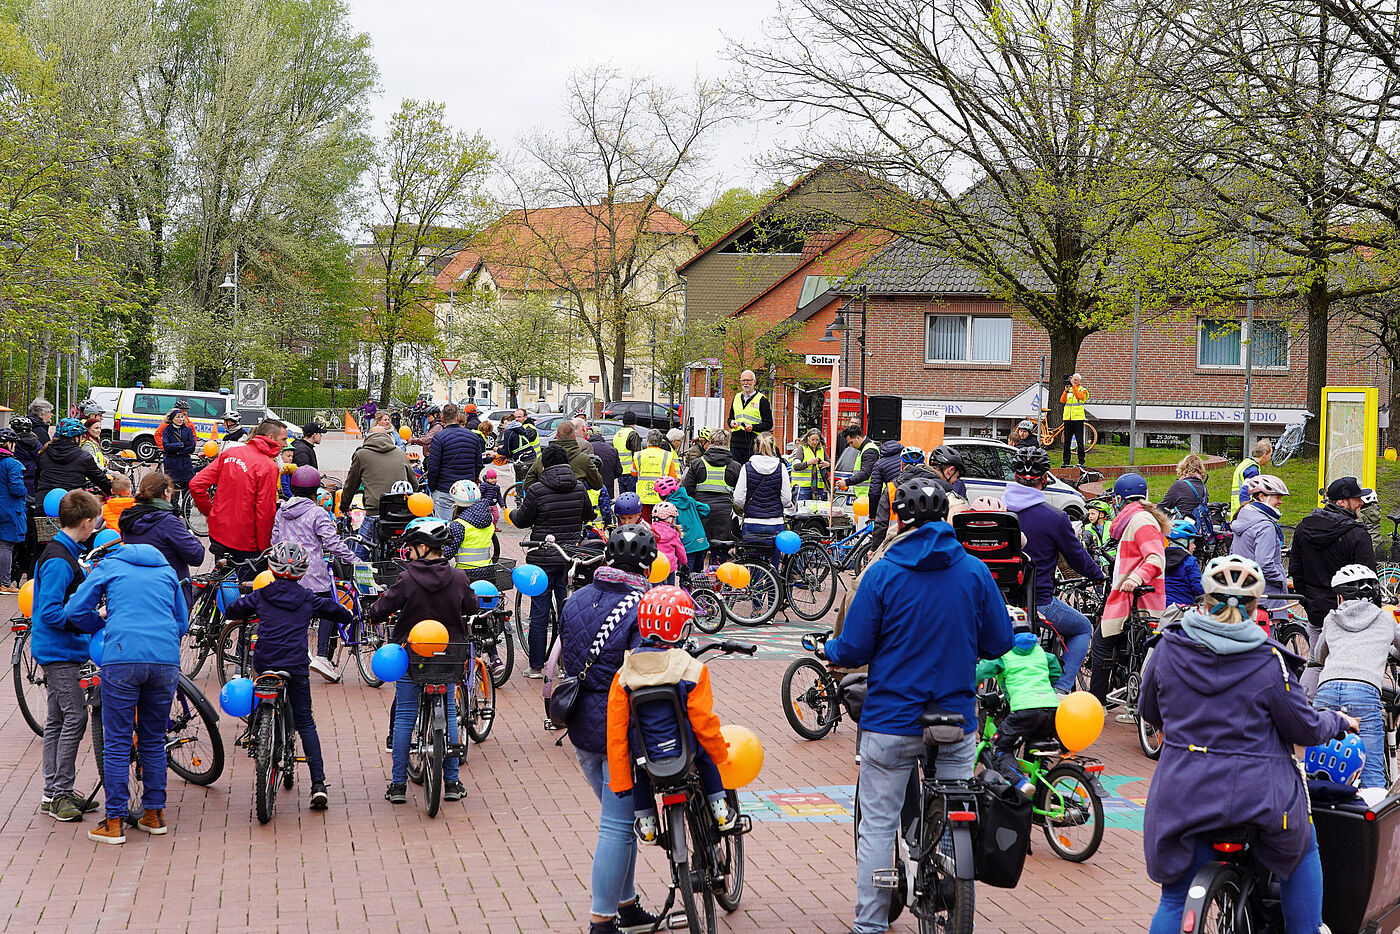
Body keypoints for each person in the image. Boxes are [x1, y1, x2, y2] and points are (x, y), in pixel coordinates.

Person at [825, 475, 1013, 933]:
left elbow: (852, 650)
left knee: (878, 823)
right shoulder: (974, 571)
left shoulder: (883, 573)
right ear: (946, 517)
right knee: (954, 808)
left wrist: (828, 652)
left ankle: (870, 923)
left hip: (891, 720)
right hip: (956, 720)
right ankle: (946, 874)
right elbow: (1000, 641)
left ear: (901, 521)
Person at [1140, 555, 1355, 934]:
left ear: (1204, 600)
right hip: (1261, 800)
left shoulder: (1169, 650)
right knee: (1304, 848)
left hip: (1184, 795)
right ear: (1256, 607)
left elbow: (1150, 712)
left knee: (1174, 899)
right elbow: (1304, 728)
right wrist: (1339, 720)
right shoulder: (1269, 661)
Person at [550, 524, 662, 934]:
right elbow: (645, 669)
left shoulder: (577, 598)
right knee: (617, 825)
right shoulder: (643, 605)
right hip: (619, 727)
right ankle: (602, 920)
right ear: (648, 563)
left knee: (621, 818)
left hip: (581, 721)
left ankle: (627, 903)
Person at [66, 537, 190, 844]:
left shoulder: (109, 566)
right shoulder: (166, 571)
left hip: (122, 657)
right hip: (164, 661)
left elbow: (75, 609)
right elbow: (182, 622)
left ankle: (114, 821)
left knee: (118, 742)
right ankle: (154, 814)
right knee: (153, 738)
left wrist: (98, 624)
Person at [223, 540, 351, 809]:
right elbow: (336, 612)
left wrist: (237, 607)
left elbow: (234, 608)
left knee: (261, 685)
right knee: (305, 722)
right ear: (303, 572)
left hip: (266, 659)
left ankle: (258, 730)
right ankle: (318, 784)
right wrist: (347, 614)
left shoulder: (262, 594)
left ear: (271, 567)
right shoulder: (307, 597)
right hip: (294, 664)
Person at [607, 586, 734, 846]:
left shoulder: (623, 674)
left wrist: (621, 781)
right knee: (706, 755)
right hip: (685, 748)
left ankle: (647, 822)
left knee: (640, 769)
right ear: (679, 627)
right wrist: (721, 754)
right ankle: (720, 810)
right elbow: (703, 722)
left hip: (647, 753)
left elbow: (615, 731)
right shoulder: (691, 668)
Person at [367, 518, 476, 805]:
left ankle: (399, 785)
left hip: (412, 655)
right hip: (449, 656)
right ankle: (452, 782)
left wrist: (373, 613)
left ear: (424, 548)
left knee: (405, 716)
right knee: (450, 713)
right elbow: (472, 607)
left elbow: (382, 608)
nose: (410, 554)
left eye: (413, 548)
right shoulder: (458, 577)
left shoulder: (407, 578)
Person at [1002, 447, 1104, 692]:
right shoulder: (1055, 517)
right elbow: (1077, 558)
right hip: (1039, 603)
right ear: (1045, 478)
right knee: (1082, 628)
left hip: (1000, 602)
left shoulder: (1000, 512)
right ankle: (1061, 689)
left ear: (1015, 477)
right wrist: (1098, 575)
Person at [30, 490, 102, 823]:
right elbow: (49, 613)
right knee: (76, 717)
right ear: (86, 523)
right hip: (59, 652)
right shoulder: (60, 559)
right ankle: (59, 794)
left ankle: (53, 792)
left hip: (61, 649)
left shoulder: (62, 552)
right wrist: (89, 620)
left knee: (59, 720)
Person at [1310, 564, 1397, 790]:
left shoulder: (1331, 619)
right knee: (1371, 772)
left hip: (1327, 689)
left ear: (1340, 596)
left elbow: (1319, 655)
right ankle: (1373, 811)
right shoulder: (1386, 619)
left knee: (1315, 762)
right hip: (1364, 692)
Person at [512, 444, 595, 678]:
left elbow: (521, 520)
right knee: (569, 610)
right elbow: (589, 514)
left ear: (545, 464)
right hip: (570, 557)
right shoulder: (579, 487)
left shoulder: (537, 490)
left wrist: (512, 513)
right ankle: (568, 663)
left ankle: (537, 666)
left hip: (542, 556)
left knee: (539, 612)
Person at [273, 466, 359, 682]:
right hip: (312, 574)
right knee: (329, 609)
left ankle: (298, 655)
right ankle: (321, 655)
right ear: (315, 492)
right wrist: (354, 559)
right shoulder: (317, 512)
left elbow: (274, 541)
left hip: (285, 573)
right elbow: (332, 543)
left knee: (295, 614)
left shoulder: (282, 510)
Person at [1090, 473, 1169, 705]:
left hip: (1134, 600)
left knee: (1100, 645)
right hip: (1134, 600)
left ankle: (1098, 704)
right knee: (1131, 652)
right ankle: (1126, 701)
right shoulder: (1137, 518)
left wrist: (1135, 578)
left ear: (1119, 499)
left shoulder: (1139, 521)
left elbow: (1156, 557)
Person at [976, 608, 1064, 791]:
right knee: (1036, 752)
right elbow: (1055, 666)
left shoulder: (1003, 654)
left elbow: (979, 672)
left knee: (1000, 748)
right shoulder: (1039, 651)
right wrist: (1045, 684)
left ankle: (1020, 783)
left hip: (1025, 710)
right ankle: (1041, 796)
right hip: (1051, 708)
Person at [190, 419, 286, 572]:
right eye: (284, 439)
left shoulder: (230, 453)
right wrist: (264, 549)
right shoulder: (268, 466)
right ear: (271, 437)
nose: (286, 444)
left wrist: (210, 512)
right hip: (246, 541)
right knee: (248, 591)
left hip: (220, 533)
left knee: (222, 580)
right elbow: (265, 513)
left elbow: (196, 484)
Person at [1289, 476, 1377, 636]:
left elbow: (1296, 571)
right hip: (1350, 618)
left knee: (1316, 658)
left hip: (1317, 612)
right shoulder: (1357, 534)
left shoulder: (1303, 528)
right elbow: (1369, 578)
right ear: (1342, 502)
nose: (1361, 503)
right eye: (1357, 499)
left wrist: (1309, 603)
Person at [118, 473, 206, 607]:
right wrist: (190, 535)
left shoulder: (129, 518)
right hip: (169, 594)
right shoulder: (168, 522)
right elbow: (196, 556)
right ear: (166, 492)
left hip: (137, 591)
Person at [337, 424, 414, 548]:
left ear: (368, 437)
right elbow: (414, 485)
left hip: (374, 513)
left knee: (361, 554)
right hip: (401, 513)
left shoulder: (361, 455)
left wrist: (344, 506)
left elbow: (351, 485)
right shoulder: (400, 453)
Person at [1231, 474, 1291, 620]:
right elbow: (1265, 564)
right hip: (1267, 594)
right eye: (1277, 497)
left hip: (1245, 589)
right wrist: (1282, 581)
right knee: (1271, 640)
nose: (1280, 502)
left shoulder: (1243, 518)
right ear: (1262, 497)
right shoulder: (1265, 526)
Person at [426, 403, 486, 519]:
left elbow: (433, 467)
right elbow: (479, 464)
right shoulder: (473, 437)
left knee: (444, 526)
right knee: (467, 525)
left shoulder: (439, 438)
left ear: (442, 418)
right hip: (467, 490)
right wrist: (473, 481)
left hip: (445, 488)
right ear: (458, 418)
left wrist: (433, 487)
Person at [732, 433, 791, 550]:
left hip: (752, 521)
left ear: (756, 448)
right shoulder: (781, 467)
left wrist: (749, 507)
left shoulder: (747, 467)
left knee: (751, 560)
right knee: (773, 562)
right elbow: (786, 499)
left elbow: (738, 498)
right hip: (775, 522)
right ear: (773, 448)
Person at [36, 417, 111, 500]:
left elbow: (37, 478)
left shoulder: (45, 452)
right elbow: (100, 479)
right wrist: (111, 491)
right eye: (81, 436)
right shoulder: (84, 457)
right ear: (76, 438)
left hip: (44, 502)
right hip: (72, 505)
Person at [853, 440, 907, 546]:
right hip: (911, 502)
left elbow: (874, 492)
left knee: (885, 530)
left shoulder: (879, 464)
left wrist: (872, 515)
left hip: (891, 498)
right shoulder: (905, 459)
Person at [525, 420, 602, 494]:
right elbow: (597, 484)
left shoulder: (543, 458)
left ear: (556, 436)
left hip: (548, 505)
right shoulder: (583, 459)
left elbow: (528, 485)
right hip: (575, 504)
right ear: (574, 437)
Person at [658, 475, 709, 570]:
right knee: (699, 577)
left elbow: (672, 529)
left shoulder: (670, 507)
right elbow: (706, 509)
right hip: (701, 542)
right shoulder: (689, 500)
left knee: (686, 576)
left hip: (687, 546)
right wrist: (695, 515)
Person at [629, 429, 679, 521]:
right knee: (660, 525)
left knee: (645, 524)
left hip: (643, 496)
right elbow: (672, 478)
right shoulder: (667, 456)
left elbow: (633, 472)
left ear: (647, 442)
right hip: (661, 497)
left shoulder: (638, 455)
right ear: (660, 443)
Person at [726, 370, 772, 465]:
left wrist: (753, 428)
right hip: (735, 443)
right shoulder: (736, 397)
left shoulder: (762, 400)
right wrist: (731, 422)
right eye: (743, 380)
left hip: (753, 443)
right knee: (735, 472)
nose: (745, 383)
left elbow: (769, 424)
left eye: (748, 380)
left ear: (754, 382)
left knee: (750, 472)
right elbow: (730, 418)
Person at [0, 430, 25, 594]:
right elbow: (17, 489)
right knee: (5, 546)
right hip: (8, 508)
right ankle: (5, 584)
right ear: (10, 444)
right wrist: (25, 491)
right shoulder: (12, 463)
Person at [1163, 519, 1205, 607]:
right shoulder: (1190, 561)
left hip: (1159, 607)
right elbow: (1198, 588)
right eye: (1192, 543)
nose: (1194, 546)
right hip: (1182, 609)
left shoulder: (1160, 558)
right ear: (1184, 542)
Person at [835, 426, 881, 503]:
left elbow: (865, 473)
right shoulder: (865, 449)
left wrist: (846, 482)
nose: (851, 445)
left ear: (858, 438)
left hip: (869, 495)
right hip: (865, 496)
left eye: (851, 442)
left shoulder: (869, 450)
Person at [158, 405, 197, 497]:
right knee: (174, 493)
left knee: (187, 492)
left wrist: (176, 451)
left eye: (182, 417)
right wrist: (182, 444)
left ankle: (186, 510)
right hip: (172, 465)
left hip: (185, 464)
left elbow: (192, 447)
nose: (180, 419)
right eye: (178, 417)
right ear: (172, 419)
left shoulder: (188, 430)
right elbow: (167, 446)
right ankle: (174, 510)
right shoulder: (167, 430)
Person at [1159, 453, 1210, 518]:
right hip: (1198, 526)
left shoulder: (1179, 485)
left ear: (1183, 468)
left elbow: (1162, 507)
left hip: (1182, 525)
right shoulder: (1203, 487)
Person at [649, 500, 685, 584]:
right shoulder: (674, 533)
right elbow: (680, 551)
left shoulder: (650, 530)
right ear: (670, 519)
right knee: (669, 588)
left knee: (655, 589)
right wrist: (683, 563)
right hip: (669, 566)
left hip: (654, 565)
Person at [1231, 439, 1274, 507]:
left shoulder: (1246, 463)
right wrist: (1247, 509)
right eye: (1270, 455)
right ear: (1264, 455)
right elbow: (1246, 490)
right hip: (1244, 508)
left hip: (1237, 506)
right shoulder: (1252, 470)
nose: (1270, 458)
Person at [1059, 373, 1089, 467]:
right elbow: (1062, 401)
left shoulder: (1082, 390)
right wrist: (1066, 391)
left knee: (1079, 441)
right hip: (1068, 418)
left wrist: (1074, 386)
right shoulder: (1070, 390)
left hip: (1078, 418)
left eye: (1076, 380)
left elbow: (1080, 397)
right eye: (1073, 379)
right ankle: (1066, 462)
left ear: (1080, 381)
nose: (1074, 381)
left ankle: (1081, 461)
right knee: (1067, 441)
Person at [791, 428, 828, 502]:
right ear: (808, 438)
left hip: (818, 487)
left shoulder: (822, 449)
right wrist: (809, 463)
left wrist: (827, 464)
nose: (815, 442)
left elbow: (830, 465)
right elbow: (796, 466)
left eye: (817, 440)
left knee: (816, 512)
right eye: (812, 439)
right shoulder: (802, 448)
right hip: (803, 487)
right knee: (802, 512)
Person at [611, 411, 642, 494]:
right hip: (631, 472)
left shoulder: (617, 434)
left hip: (620, 472)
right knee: (632, 499)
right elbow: (637, 454)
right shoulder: (633, 434)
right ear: (634, 422)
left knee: (623, 499)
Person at [588, 425, 623, 499]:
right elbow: (619, 471)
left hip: (591, 492)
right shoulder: (612, 450)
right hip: (608, 490)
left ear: (589, 436)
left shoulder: (587, 448)